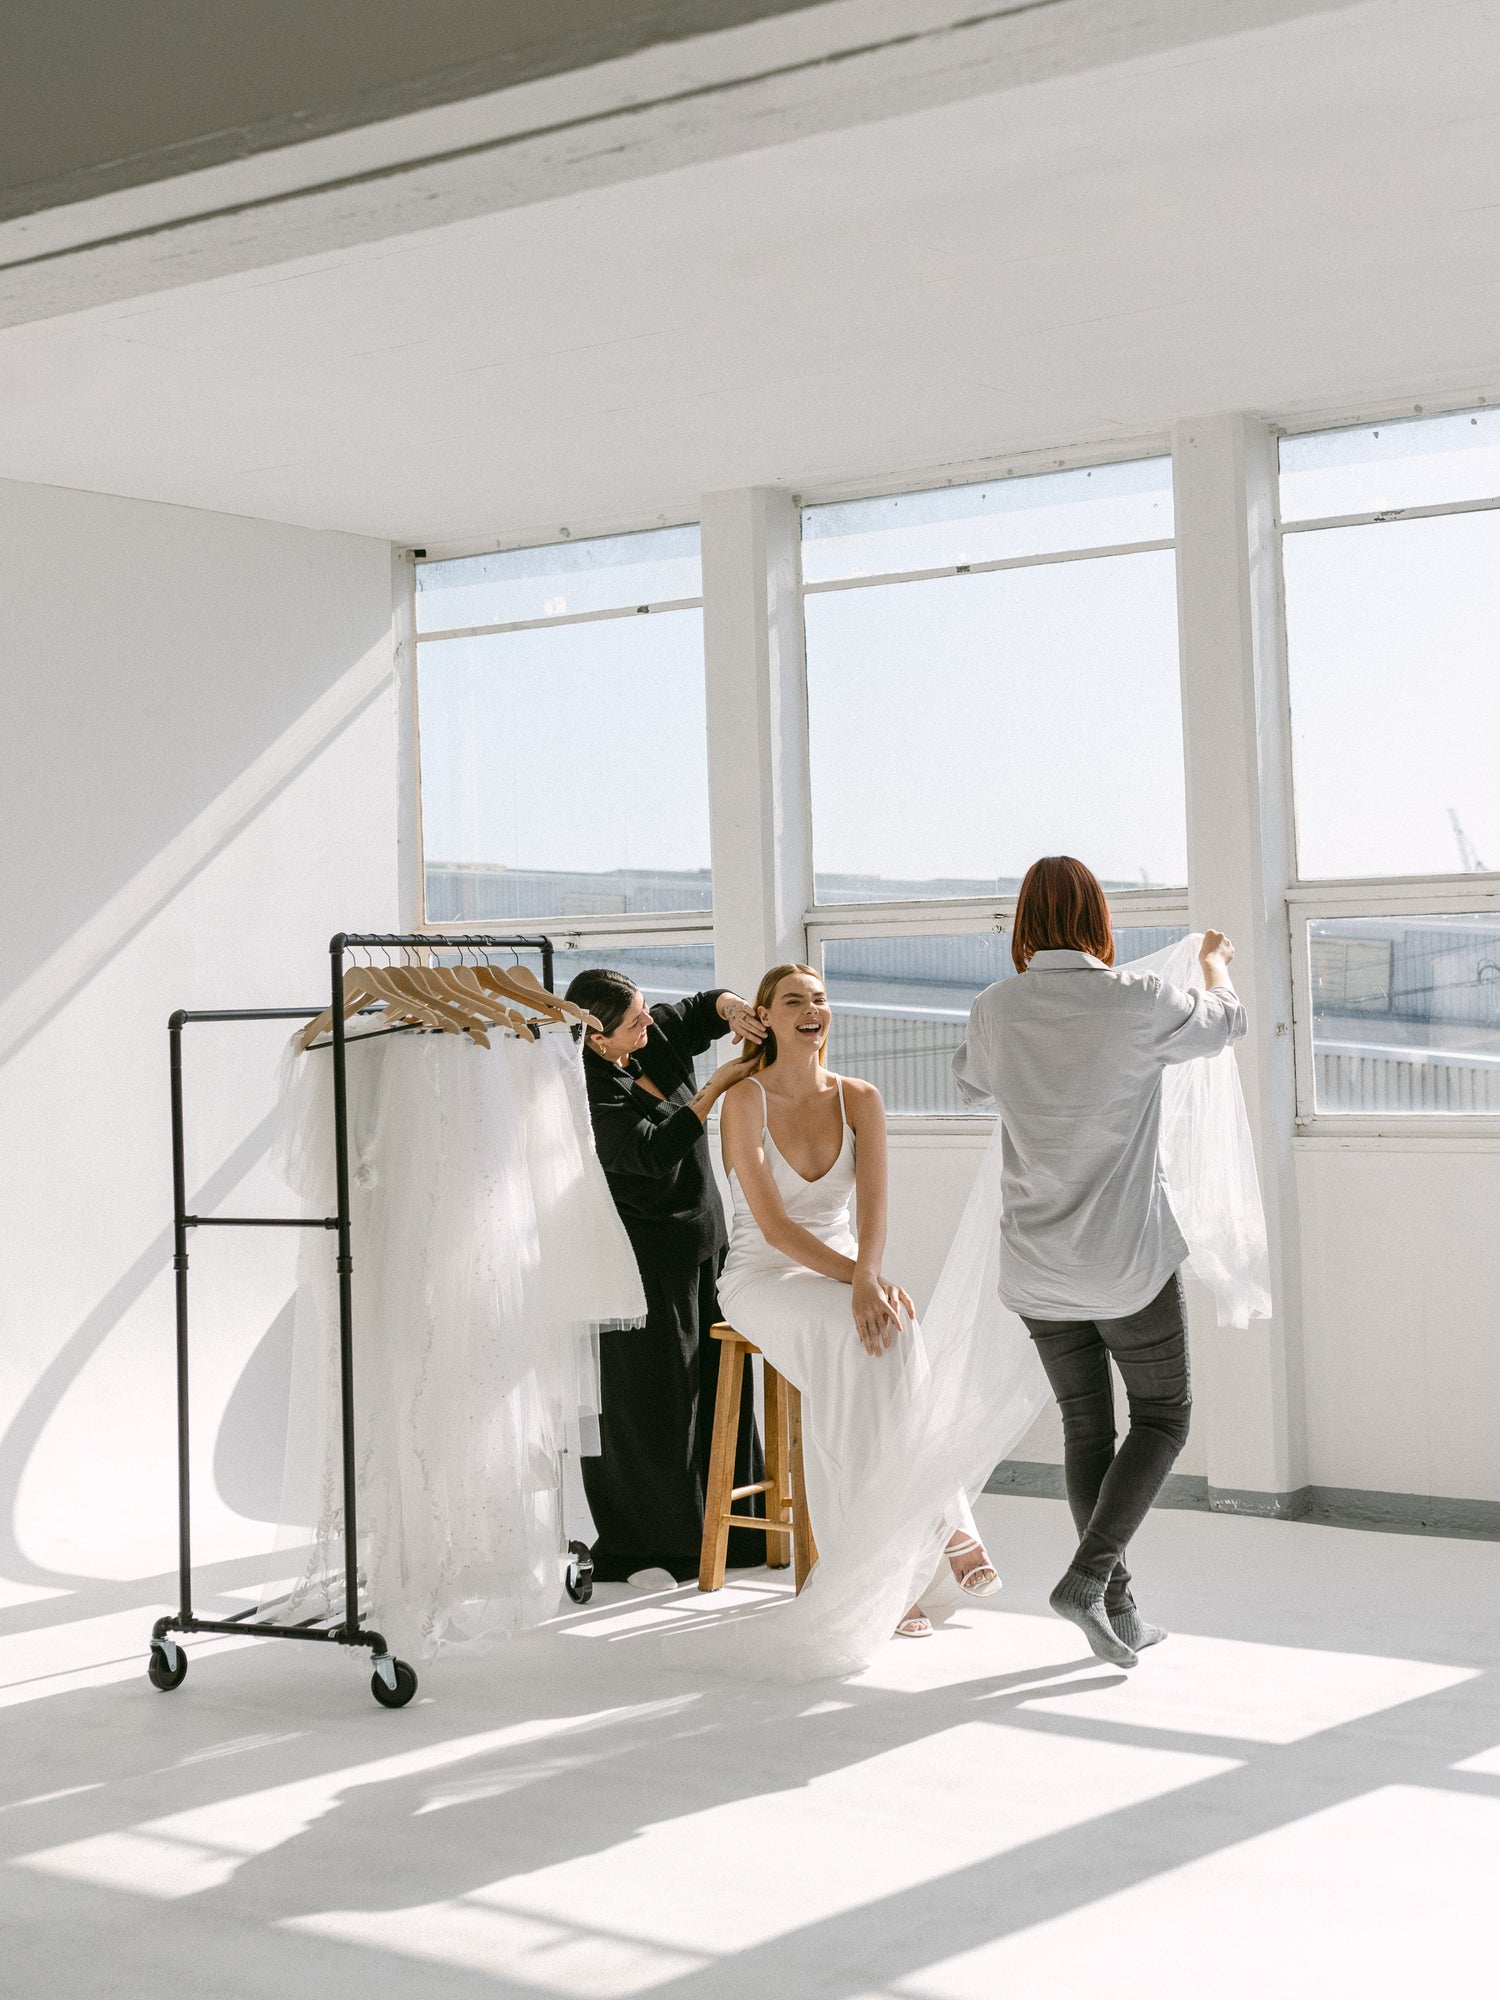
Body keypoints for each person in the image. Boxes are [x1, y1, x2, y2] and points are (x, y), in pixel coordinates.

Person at [952, 856, 1246, 1667]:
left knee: (1089, 1429)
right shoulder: (1140, 1001)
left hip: (1037, 1263)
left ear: (1022, 924)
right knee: (1163, 1418)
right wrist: (1214, 966)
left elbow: (971, 1084)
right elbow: (1226, 1025)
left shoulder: (994, 1008)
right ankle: (1087, 1580)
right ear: (1098, 920)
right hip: (1125, 1261)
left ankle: (1119, 1604)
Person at [718, 964, 1002, 1639]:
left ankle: (890, 1565)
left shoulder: (861, 1099)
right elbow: (778, 1229)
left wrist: (866, 1276)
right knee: (860, 1341)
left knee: (893, 1329)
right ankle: (927, 1537)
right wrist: (858, 1281)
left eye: (820, 999)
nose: (812, 1010)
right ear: (765, 1016)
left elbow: (875, 1211)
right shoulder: (744, 1102)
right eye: (794, 1001)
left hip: (847, 1268)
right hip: (763, 1276)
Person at [569, 970, 765, 1586]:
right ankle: (659, 1540)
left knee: (718, 1387)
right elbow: (651, 1154)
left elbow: (697, 1011)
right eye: (634, 1022)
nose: (649, 1025)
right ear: (597, 1035)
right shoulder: (586, 1089)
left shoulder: (648, 1039)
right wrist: (713, 1091)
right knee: (657, 1403)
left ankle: (734, 1529)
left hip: (706, 1248)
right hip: (647, 1265)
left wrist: (731, 1008)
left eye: (645, 1014)